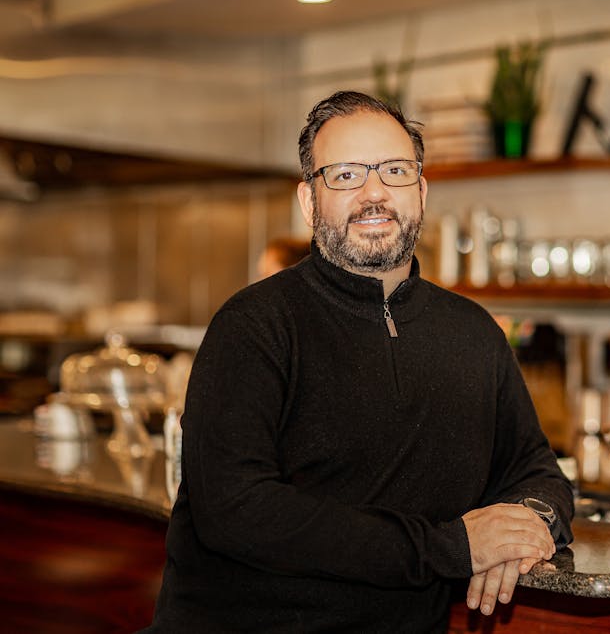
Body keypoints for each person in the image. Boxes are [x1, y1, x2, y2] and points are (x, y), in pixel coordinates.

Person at [145, 91, 574, 633]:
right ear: (308, 202)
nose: (375, 193)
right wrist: (450, 547)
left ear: (421, 192)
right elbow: (235, 509)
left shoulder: (473, 332)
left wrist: (530, 523)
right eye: (346, 175)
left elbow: (535, 469)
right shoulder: (254, 325)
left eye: (395, 171)